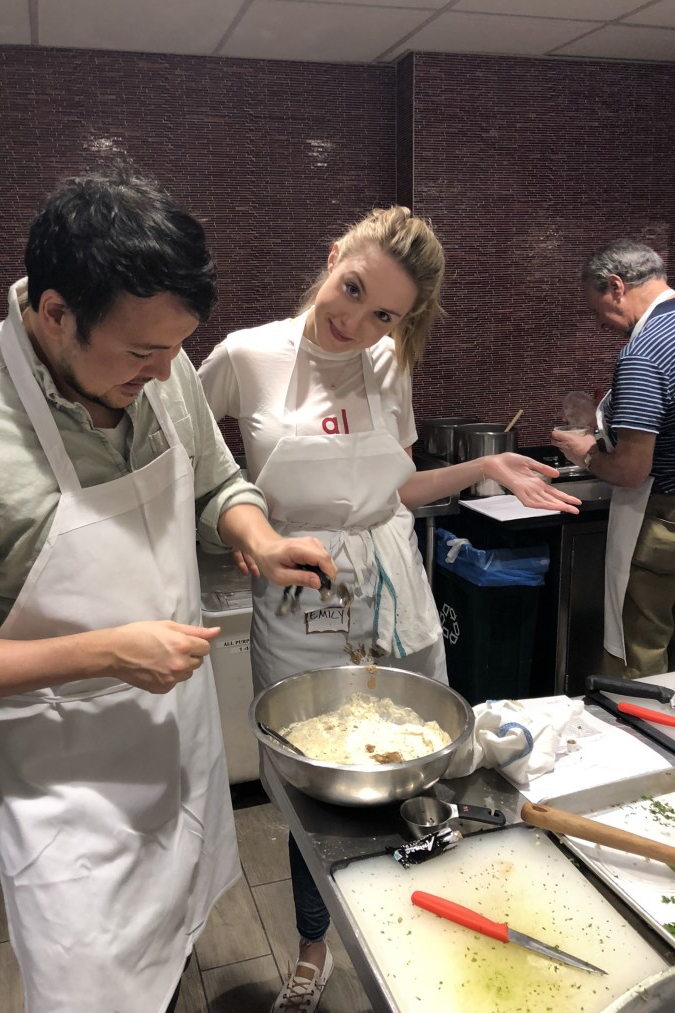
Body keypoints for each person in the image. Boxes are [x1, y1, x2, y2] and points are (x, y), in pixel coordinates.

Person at [0, 170, 337, 1013]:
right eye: (141, 351)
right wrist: (108, 652)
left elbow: (218, 483)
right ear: (55, 312)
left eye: (174, 348)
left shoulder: (161, 366)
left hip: (176, 745)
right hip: (67, 784)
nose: (163, 369)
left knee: (176, 942)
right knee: (96, 984)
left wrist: (257, 533)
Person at [198, 205, 580, 1013]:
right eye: (353, 289)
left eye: (383, 314)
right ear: (334, 255)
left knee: (423, 760)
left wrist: (485, 465)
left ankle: (417, 934)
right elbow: (193, 468)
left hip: (395, 585)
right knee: (314, 784)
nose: (356, 321)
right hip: (301, 599)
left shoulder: (387, 362)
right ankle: (313, 946)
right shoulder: (246, 355)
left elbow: (396, 489)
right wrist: (244, 527)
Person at [552, 239, 675, 679]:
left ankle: (643, 740)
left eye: (597, 309)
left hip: (661, 520)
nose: (601, 324)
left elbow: (629, 469)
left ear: (616, 287)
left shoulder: (644, 352)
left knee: (639, 652)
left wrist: (586, 453)